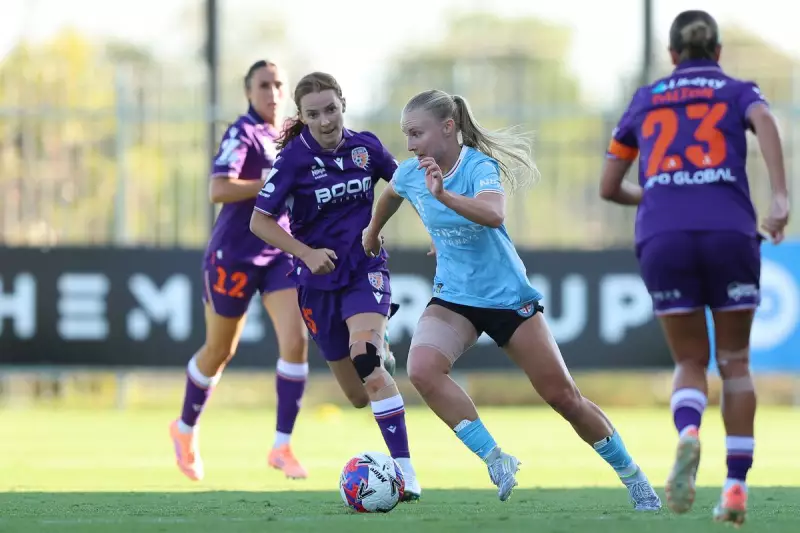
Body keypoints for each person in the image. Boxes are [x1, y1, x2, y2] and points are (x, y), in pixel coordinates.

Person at [362, 88, 662, 511]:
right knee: (424, 370)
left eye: (417, 133)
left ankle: (634, 477)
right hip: (454, 298)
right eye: (405, 134)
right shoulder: (413, 172)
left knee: (564, 398)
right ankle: (495, 458)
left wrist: (445, 196)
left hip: (508, 300)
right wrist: (372, 232)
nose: (409, 144)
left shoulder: (478, 166)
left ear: (448, 127)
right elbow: (391, 194)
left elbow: (494, 214)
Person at [599, 10, 789, 525]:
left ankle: (688, 433)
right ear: (719, 51)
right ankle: (733, 488)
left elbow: (608, 187)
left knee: (689, 362)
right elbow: (766, 121)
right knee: (734, 362)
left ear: (672, 55)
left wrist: (657, 191)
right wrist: (779, 198)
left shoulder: (647, 98)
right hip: (730, 230)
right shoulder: (736, 90)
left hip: (664, 234)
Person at [249, 71, 421, 500]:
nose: (325, 120)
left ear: (342, 103)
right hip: (316, 283)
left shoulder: (367, 147)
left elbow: (406, 185)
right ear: (302, 117)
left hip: (365, 268)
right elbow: (259, 221)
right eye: (313, 114)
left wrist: (427, 229)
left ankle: (406, 475)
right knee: (358, 396)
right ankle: (382, 356)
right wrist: (304, 253)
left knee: (365, 358)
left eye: (330, 109)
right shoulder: (292, 161)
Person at [169, 60, 311, 482]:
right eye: (263, 85)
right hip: (234, 255)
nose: (272, 92)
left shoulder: (290, 137)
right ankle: (184, 429)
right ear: (249, 92)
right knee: (219, 352)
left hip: (279, 253)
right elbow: (218, 188)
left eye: (278, 84)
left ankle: (282, 446)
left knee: (296, 340)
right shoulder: (242, 132)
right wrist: (270, 180)